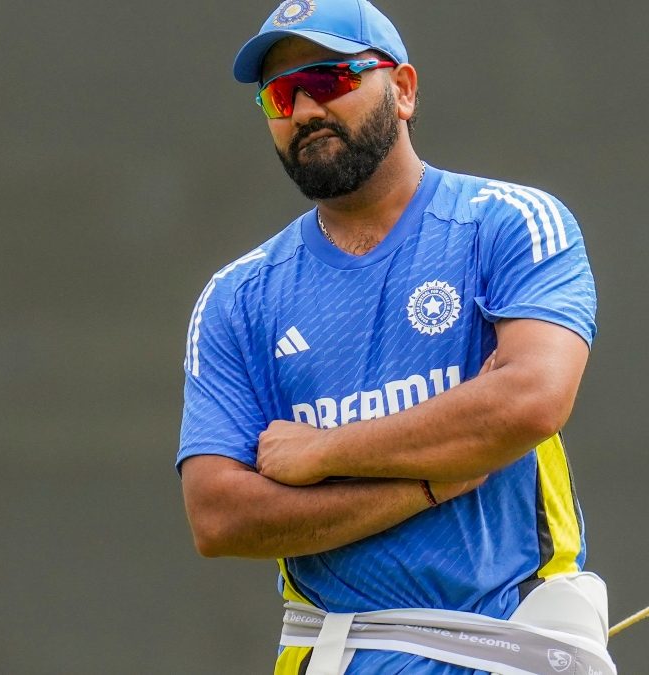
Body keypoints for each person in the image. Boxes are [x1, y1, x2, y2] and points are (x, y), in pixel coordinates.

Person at [177, 1, 615, 673]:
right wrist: (425, 485)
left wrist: (323, 452)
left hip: (512, 650)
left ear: (403, 90)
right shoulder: (238, 296)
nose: (303, 111)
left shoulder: (509, 224)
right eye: (280, 95)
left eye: (329, 81)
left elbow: (529, 400)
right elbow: (219, 514)